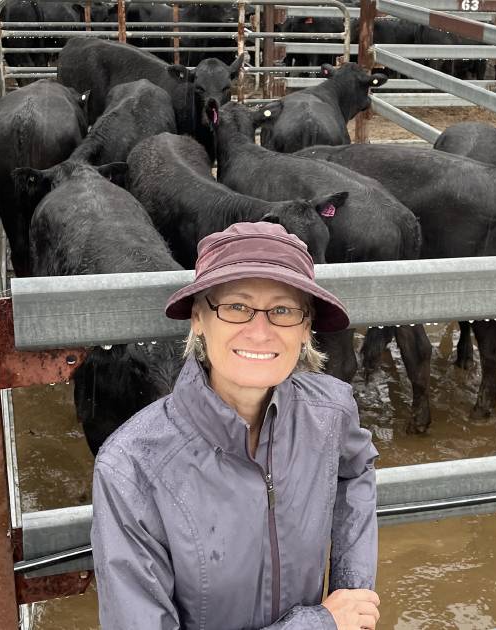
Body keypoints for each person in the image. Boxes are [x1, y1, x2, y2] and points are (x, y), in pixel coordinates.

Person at [91, 222, 381, 629]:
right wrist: (321, 624)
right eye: (236, 307)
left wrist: (353, 590)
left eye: (282, 309)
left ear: (304, 327)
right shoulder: (133, 468)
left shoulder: (331, 411)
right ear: (197, 319)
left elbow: (357, 472)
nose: (259, 332)